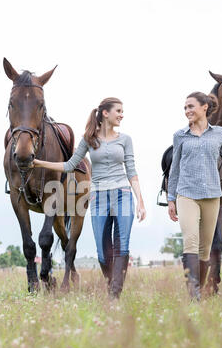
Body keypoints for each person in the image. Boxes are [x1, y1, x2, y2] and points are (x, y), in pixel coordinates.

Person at [33, 97, 146, 298]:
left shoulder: (125, 139)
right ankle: (111, 284)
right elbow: (69, 165)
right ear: (105, 113)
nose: (122, 115)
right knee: (103, 252)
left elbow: (131, 170)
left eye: (122, 111)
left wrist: (140, 200)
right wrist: (40, 163)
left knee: (122, 244)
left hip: (123, 194)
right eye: (118, 111)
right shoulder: (88, 140)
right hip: (99, 197)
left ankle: (114, 295)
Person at [167, 91, 222, 301]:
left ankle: (198, 291)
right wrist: (170, 199)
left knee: (204, 249)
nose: (187, 111)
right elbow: (174, 169)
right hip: (186, 195)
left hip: (212, 196)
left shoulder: (219, 133)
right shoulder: (180, 135)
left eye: (191, 106)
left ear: (204, 107)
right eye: (185, 107)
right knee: (190, 241)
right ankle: (193, 294)